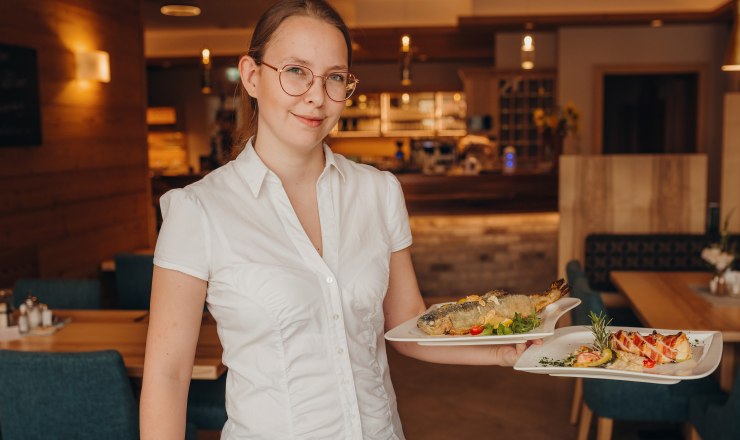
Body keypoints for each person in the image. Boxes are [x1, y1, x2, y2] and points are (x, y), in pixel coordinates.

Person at [139, 1, 536, 438]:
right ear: (252, 76)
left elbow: (406, 323)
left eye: (335, 78)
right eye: (295, 70)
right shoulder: (198, 210)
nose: (316, 96)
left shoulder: (378, 191)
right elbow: (168, 375)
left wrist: (500, 351)